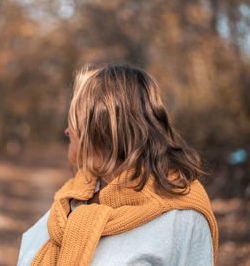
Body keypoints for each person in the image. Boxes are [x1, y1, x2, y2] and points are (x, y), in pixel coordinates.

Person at [17, 64, 219, 266]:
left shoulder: (182, 216)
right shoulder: (71, 197)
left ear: (102, 126)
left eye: (73, 118)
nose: (67, 130)